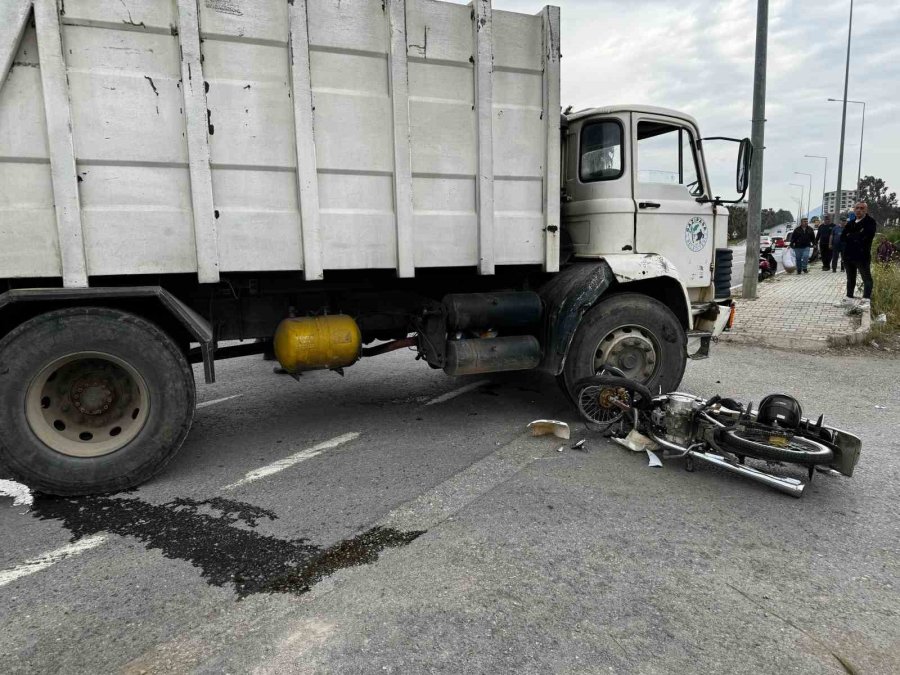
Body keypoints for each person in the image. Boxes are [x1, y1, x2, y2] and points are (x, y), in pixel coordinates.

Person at [840, 202, 877, 307]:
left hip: (862, 256)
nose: (859, 210)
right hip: (849, 255)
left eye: (862, 208)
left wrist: (850, 235)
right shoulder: (850, 223)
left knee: (866, 278)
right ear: (854, 209)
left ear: (866, 210)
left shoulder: (870, 222)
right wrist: (856, 235)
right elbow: (843, 237)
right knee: (850, 277)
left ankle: (866, 300)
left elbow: (866, 236)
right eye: (857, 208)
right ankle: (849, 298)